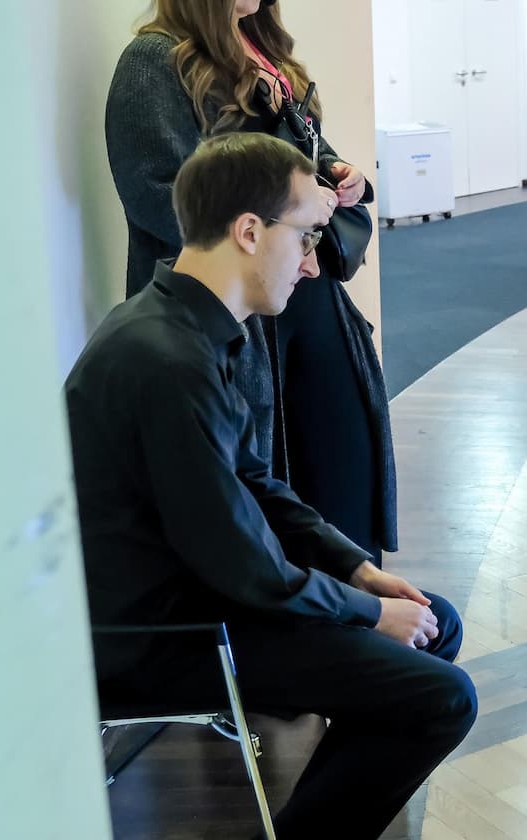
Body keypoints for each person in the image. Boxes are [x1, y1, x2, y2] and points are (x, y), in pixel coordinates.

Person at [66, 134, 475, 839]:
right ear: (249, 231)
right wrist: (366, 615)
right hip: (168, 634)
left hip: (198, 598)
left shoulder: (183, 329)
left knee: (432, 621)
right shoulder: (168, 362)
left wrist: (360, 572)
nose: (314, 266)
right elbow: (242, 565)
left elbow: (255, 482)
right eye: (308, 237)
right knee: (442, 697)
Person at [106, 0, 399, 565]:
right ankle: (304, 622)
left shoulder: (269, 56)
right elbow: (161, 198)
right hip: (233, 313)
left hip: (306, 295)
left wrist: (344, 181)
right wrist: (273, 236)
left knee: (340, 461)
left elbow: (310, 165)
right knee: (260, 490)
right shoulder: (153, 62)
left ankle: (358, 609)